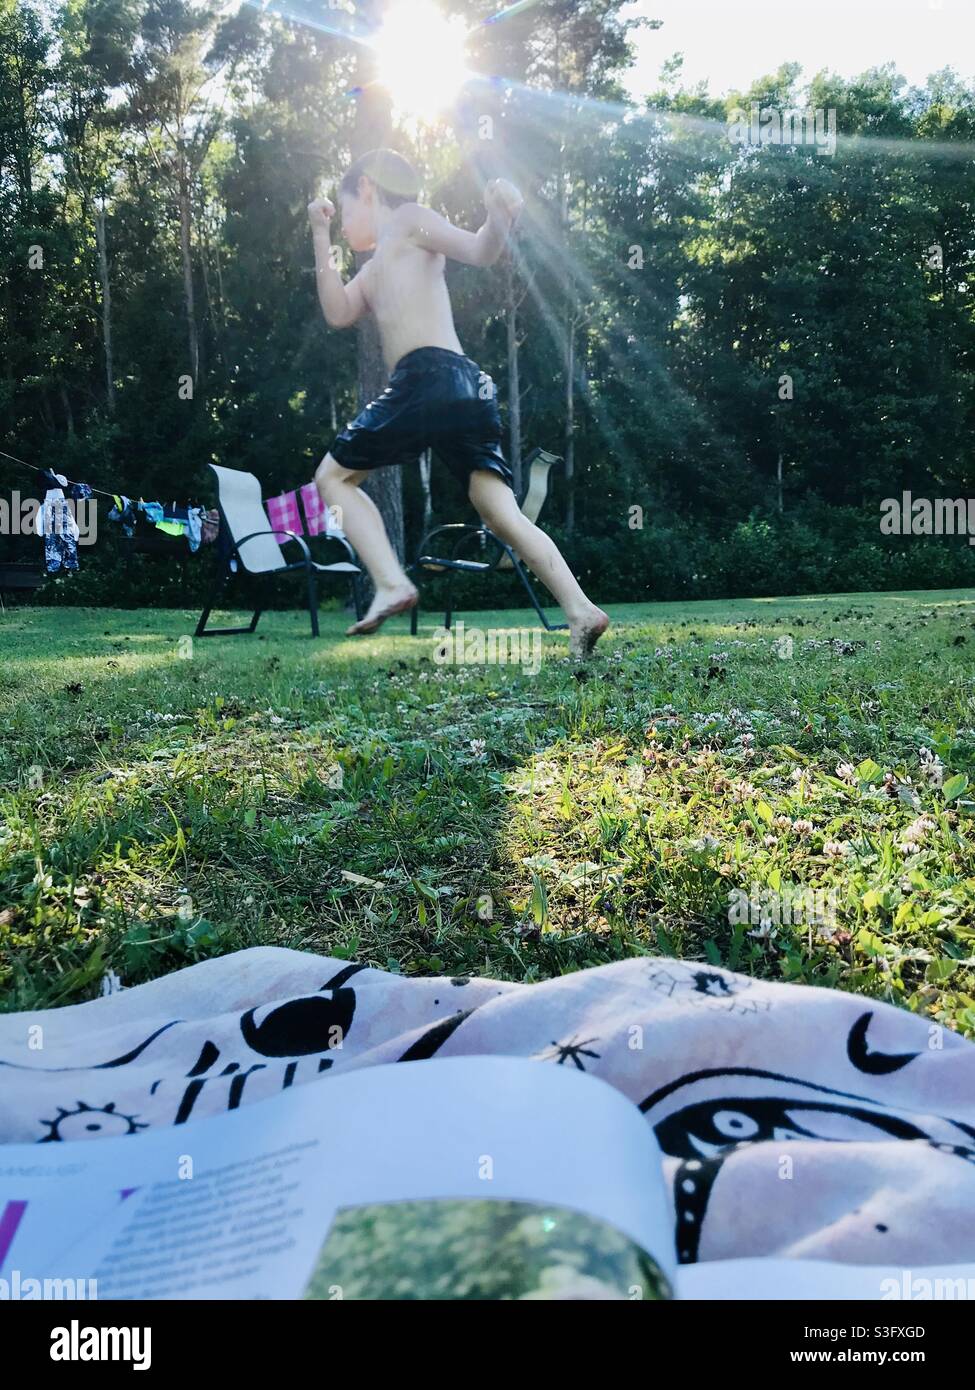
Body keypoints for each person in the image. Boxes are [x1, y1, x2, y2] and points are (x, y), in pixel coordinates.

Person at [308, 148, 609, 657]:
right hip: (469, 390)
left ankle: (390, 581)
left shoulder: (406, 220)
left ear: (367, 189)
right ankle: (581, 610)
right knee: (501, 513)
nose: (343, 227)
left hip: (428, 375)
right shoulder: (376, 264)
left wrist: (498, 217)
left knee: (332, 478)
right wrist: (319, 238)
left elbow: (480, 249)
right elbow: (337, 311)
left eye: (346, 213)